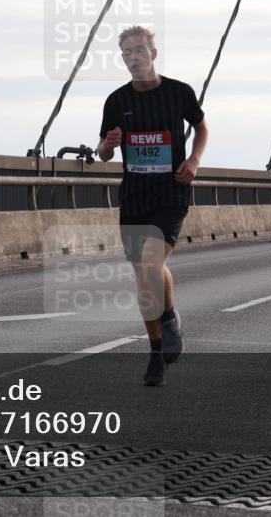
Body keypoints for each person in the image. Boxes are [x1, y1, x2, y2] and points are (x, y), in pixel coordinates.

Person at [97, 26, 208, 386]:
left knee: (150, 263)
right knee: (146, 275)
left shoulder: (178, 92)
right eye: (127, 52)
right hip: (134, 198)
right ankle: (157, 349)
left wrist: (193, 161)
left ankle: (169, 319)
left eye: (140, 50)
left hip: (170, 194)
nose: (134, 57)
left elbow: (202, 127)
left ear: (153, 54)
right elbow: (102, 152)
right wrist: (109, 145)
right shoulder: (116, 101)